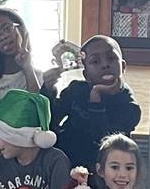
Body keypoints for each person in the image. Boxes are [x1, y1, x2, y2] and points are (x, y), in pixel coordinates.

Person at [47, 35, 142, 172]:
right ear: (86, 75)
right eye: (95, 61)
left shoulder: (129, 106)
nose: (105, 65)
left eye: (111, 58)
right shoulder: (76, 90)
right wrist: (49, 90)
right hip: (67, 162)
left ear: (123, 66)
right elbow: (50, 120)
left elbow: (104, 143)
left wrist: (95, 100)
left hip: (103, 170)